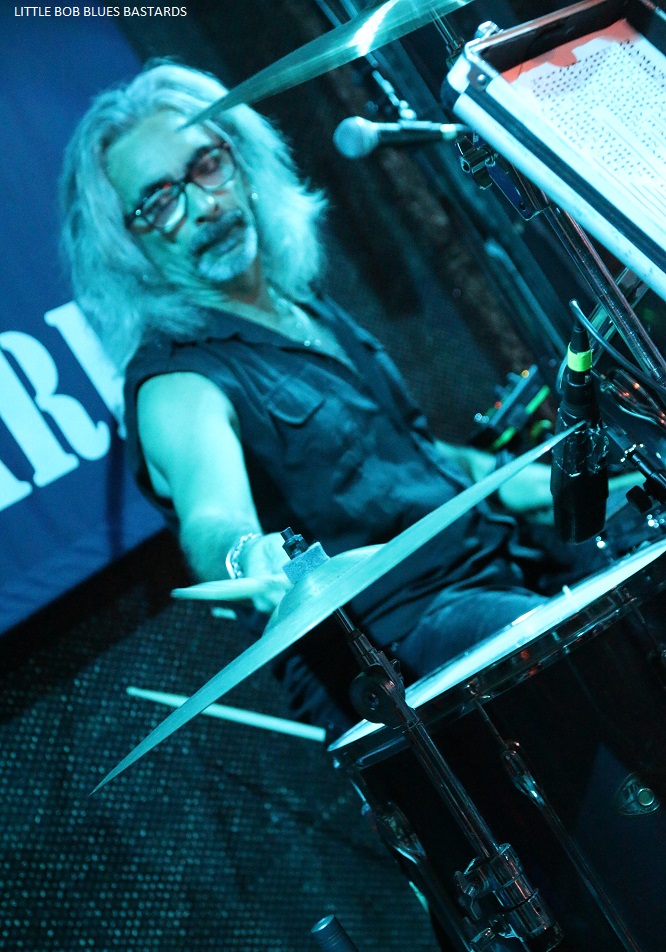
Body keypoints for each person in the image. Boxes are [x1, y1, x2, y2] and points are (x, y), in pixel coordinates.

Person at [61, 60, 556, 738]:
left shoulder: (299, 305)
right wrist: (246, 556)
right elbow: (213, 518)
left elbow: (418, 459)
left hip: (496, 569)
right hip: (403, 649)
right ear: (128, 247)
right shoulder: (177, 383)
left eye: (206, 165)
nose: (204, 205)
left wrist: (574, 480)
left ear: (241, 158)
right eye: (159, 202)